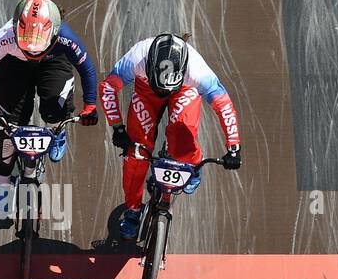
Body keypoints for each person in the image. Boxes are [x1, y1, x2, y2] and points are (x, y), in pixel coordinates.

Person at [99, 32, 242, 240]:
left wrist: (234, 146)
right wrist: (118, 129)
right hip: (147, 89)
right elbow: (108, 87)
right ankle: (133, 210)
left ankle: (192, 162)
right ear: (149, 65)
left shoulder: (196, 69)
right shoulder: (138, 56)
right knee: (136, 152)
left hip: (184, 90)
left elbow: (224, 106)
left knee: (183, 140)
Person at [0, 0, 100, 205]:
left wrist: (91, 104)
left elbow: (87, 67)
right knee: (8, 125)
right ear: (17, 31)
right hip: (15, 64)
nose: (33, 54)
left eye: (38, 49)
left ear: (54, 33)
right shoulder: (6, 36)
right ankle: (3, 182)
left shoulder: (65, 37)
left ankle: (57, 128)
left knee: (54, 110)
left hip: (54, 62)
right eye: (28, 48)